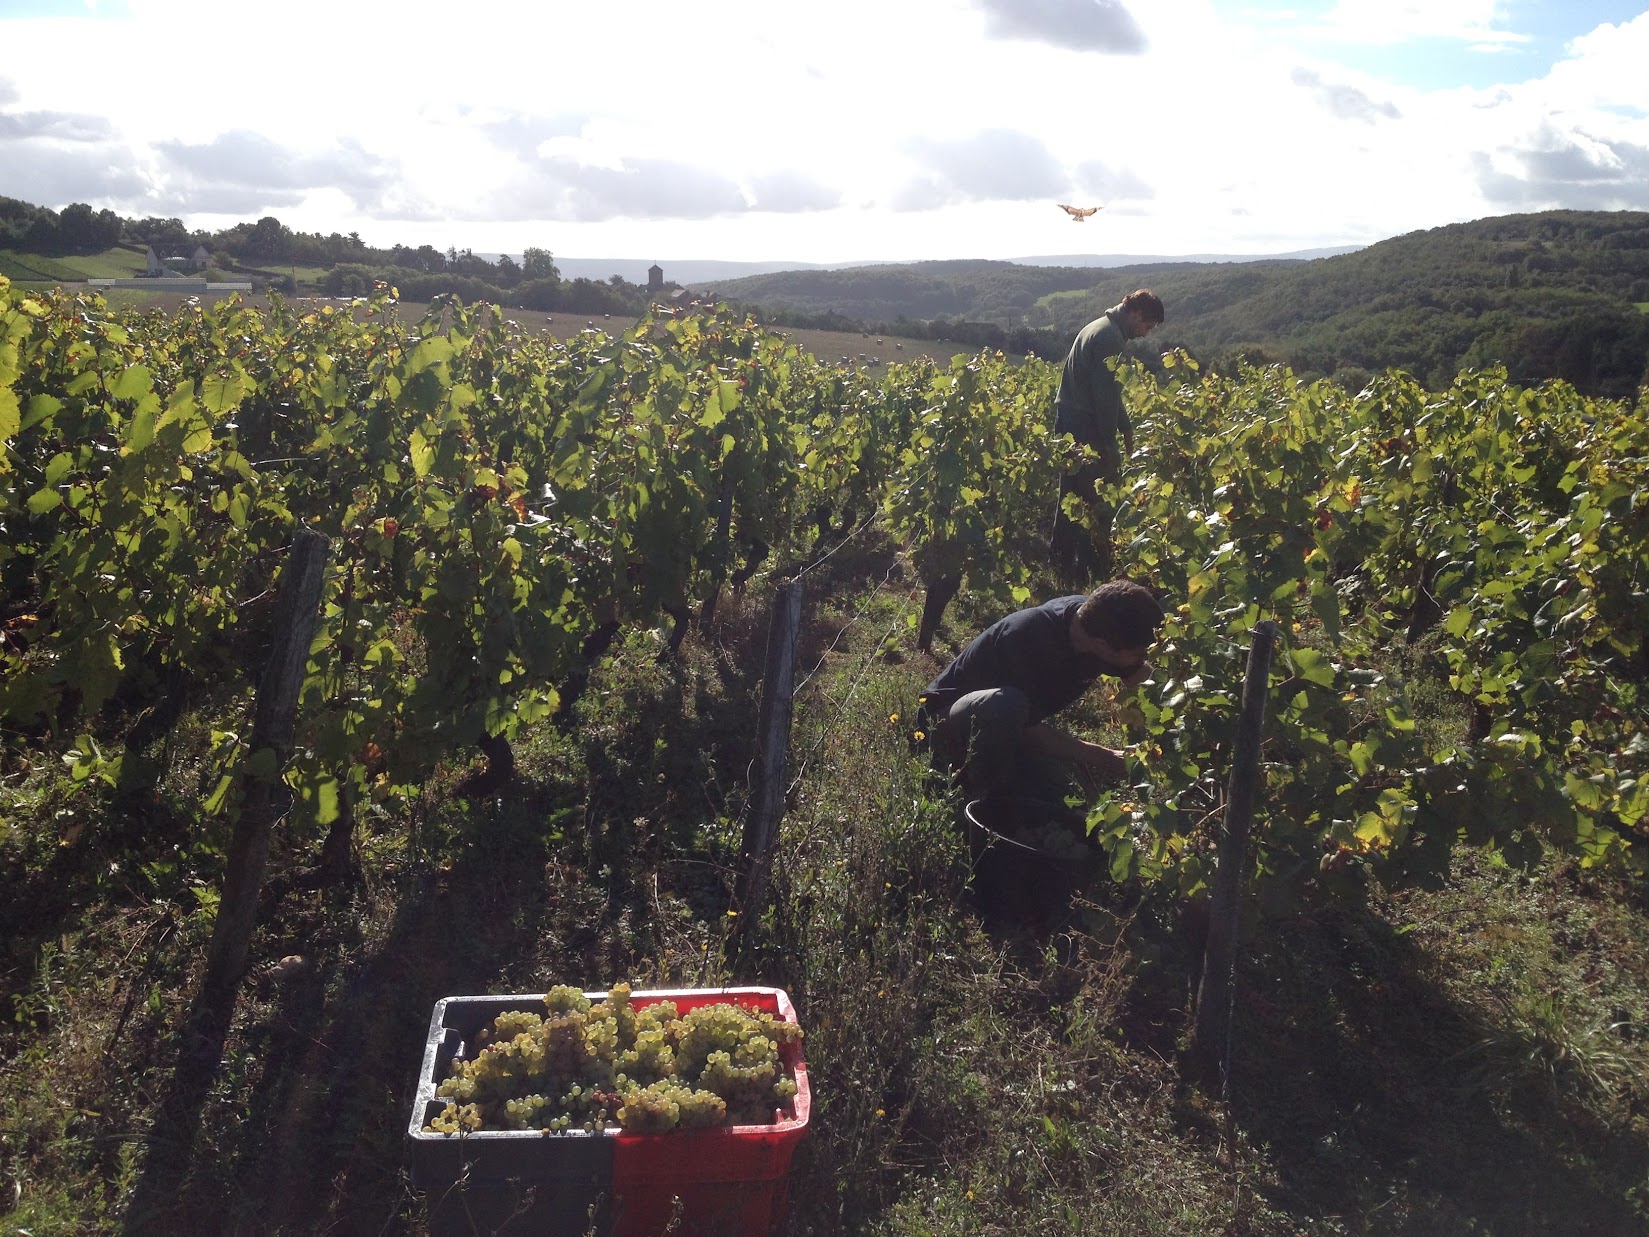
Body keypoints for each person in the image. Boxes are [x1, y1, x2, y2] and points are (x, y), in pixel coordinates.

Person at [916, 580, 1166, 806]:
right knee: (1007, 707)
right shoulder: (1029, 638)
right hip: (943, 723)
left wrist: (1175, 720)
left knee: (1065, 798)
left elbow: (1143, 680)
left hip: (1008, 725)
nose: (1143, 658)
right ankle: (980, 797)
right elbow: (1028, 730)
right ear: (1103, 646)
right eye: (1139, 653)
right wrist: (1105, 757)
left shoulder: (1097, 626)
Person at [1048, 289, 1165, 581]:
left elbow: (1111, 391)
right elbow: (1104, 400)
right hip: (1084, 425)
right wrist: (1110, 445)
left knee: (1071, 495)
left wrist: (1126, 428)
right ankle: (1089, 570)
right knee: (1097, 498)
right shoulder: (1109, 339)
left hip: (1069, 421)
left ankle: (1060, 565)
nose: (1145, 334)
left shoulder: (1100, 327)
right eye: (1147, 326)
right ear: (1135, 313)